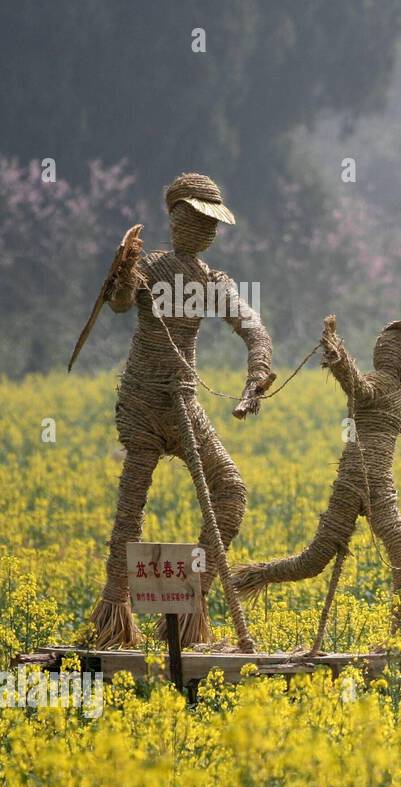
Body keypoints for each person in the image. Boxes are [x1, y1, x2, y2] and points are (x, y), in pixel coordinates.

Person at [90, 173, 274, 649]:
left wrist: (257, 373)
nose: (206, 231)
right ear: (174, 218)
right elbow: (121, 303)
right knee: (130, 511)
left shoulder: (214, 280)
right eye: (196, 219)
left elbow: (250, 324)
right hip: (144, 401)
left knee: (231, 493)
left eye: (212, 224)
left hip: (184, 403)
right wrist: (125, 269)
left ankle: (189, 601)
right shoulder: (150, 268)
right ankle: (115, 611)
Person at [231, 314, 401, 638]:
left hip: (379, 490)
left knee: (327, 559)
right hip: (354, 485)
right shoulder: (374, 389)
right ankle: (249, 577)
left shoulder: (398, 403)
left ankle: (397, 638)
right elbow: (356, 385)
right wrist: (337, 355)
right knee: (328, 558)